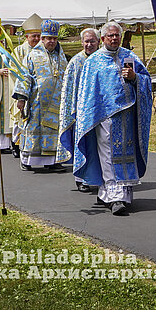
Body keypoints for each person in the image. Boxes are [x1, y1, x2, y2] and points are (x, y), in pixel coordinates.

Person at [64, 22, 152, 216]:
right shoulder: (93, 61)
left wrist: (135, 77)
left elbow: (147, 80)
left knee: (125, 154)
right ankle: (114, 197)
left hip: (128, 116)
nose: (114, 39)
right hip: (104, 117)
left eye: (117, 36)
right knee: (108, 155)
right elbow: (86, 93)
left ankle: (117, 194)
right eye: (110, 36)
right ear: (102, 38)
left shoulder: (130, 57)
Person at [13, 19, 68, 172]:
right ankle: (26, 159)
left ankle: (52, 161)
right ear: (42, 39)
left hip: (57, 103)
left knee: (54, 132)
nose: (51, 41)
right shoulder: (33, 55)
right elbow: (24, 77)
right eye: (48, 38)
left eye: (54, 38)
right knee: (32, 130)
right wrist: (21, 98)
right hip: (37, 102)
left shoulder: (62, 56)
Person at [58, 28, 101, 191]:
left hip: (100, 112)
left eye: (92, 41)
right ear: (82, 42)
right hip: (81, 112)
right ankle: (81, 178)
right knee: (83, 145)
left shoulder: (102, 58)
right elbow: (69, 89)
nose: (89, 44)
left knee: (98, 147)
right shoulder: (76, 62)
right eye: (86, 41)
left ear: (98, 42)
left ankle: (98, 177)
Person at [10, 14, 42, 157]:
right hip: (22, 91)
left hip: (38, 93)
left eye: (38, 36)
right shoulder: (19, 51)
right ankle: (16, 145)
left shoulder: (43, 50)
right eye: (33, 36)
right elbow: (13, 70)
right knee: (19, 120)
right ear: (26, 36)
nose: (35, 39)